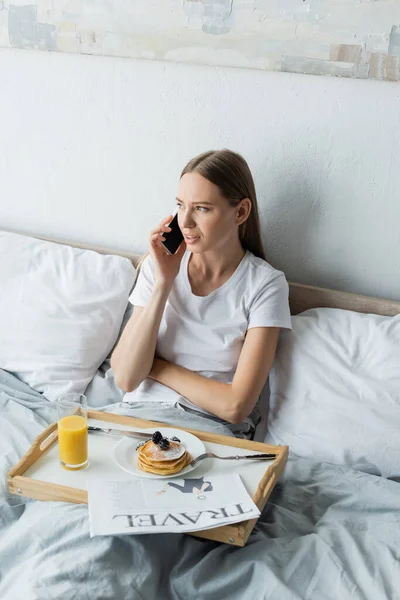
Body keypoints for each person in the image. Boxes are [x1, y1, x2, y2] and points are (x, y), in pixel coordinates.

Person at [111, 149, 292, 438]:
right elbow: (127, 377)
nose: (185, 222)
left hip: (207, 428)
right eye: (181, 205)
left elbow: (235, 406)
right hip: (137, 417)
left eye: (202, 208)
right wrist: (163, 283)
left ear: (241, 212)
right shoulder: (158, 266)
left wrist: (155, 368)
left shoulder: (265, 285)